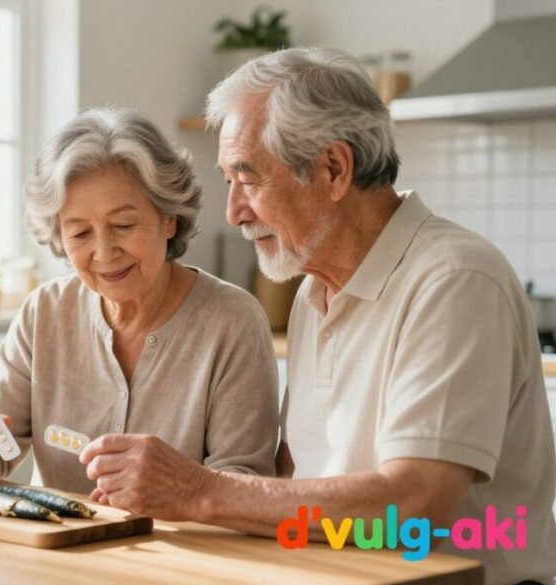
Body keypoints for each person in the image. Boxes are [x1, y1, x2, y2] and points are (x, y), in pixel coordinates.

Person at [79, 47, 556, 585]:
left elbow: (413, 506)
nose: (233, 210)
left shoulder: (453, 279)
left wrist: (198, 491)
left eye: (248, 178)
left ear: (333, 169)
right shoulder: (313, 291)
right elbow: (293, 475)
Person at [0, 107, 280, 494]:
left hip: (178, 553)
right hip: (56, 550)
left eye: (123, 226)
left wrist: (178, 488)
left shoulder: (232, 321)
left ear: (169, 218)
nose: (103, 252)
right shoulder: (45, 312)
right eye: (80, 233)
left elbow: (248, 487)